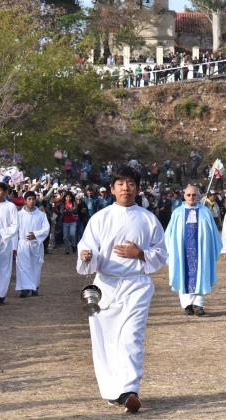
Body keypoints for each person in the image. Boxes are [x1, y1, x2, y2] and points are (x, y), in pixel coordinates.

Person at [77, 166, 168, 413]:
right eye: (120, 183)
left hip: (136, 285)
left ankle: (129, 390)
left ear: (137, 188)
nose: (125, 188)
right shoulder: (100, 218)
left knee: (131, 337)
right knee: (105, 341)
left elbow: (161, 254)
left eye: (130, 183)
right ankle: (112, 390)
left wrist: (139, 254)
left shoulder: (148, 219)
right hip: (105, 286)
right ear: (113, 188)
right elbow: (87, 250)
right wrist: (86, 256)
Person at [165, 185, 221, 316]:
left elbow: (213, 232)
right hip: (182, 252)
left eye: (194, 195)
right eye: (188, 195)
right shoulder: (178, 213)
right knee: (183, 273)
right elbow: (169, 234)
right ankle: (187, 305)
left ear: (198, 196)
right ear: (184, 196)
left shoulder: (205, 212)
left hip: (201, 251)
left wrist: (213, 247)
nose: (191, 197)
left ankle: (199, 304)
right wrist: (169, 249)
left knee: (201, 273)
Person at [14, 191, 50, 298]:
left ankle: (34, 287)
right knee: (23, 266)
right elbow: (15, 230)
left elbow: (46, 228)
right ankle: (25, 288)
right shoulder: (19, 215)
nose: (31, 201)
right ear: (25, 201)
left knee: (35, 266)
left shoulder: (41, 215)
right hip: (23, 244)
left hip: (36, 245)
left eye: (33, 199)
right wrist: (14, 246)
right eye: (29, 199)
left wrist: (36, 234)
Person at [0, 182, 18, 306]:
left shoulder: (11, 206)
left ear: (5, 192)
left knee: (4, 269)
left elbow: (15, 225)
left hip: (6, 242)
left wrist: (3, 234)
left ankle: (1, 294)